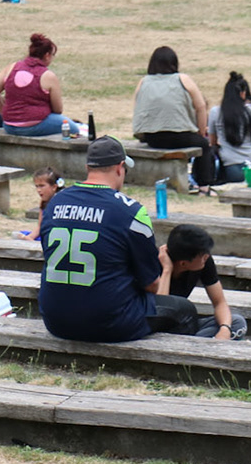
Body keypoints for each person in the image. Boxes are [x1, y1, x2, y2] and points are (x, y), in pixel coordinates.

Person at [38, 137, 200, 343]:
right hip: (109, 323)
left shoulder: (54, 204)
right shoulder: (132, 212)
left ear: (88, 167)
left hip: (55, 320)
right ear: (119, 167)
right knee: (183, 310)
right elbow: (151, 284)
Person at [132, 46, 214, 187]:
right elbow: (200, 107)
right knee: (204, 145)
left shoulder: (144, 81)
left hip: (152, 137)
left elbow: (137, 106)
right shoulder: (183, 79)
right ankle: (204, 185)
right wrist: (201, 131)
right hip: (180, 136)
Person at [160, 224, 246, 340]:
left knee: (237, 322)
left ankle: (193, 344)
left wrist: (225, 329)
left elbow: (219, 302)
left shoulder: (204, 263)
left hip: (184, 325)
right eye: (202, 255)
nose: (207, 256)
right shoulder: (153, 265)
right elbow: (160, 312)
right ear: (183, 263)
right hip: (156, 329)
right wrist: (166, 270)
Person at [0, 33, 73, 137]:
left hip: (9, 125)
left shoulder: (13, 67)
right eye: (53, 55)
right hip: (34, 124)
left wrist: (4, 113)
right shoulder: (48, 76)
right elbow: (58, 110)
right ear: (47, 55)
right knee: (73, 128)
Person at [206, 72, 251, 184]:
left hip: (230, 165)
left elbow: (212, 141)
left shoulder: (215, 112)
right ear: (242, 94)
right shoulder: (250, 112)